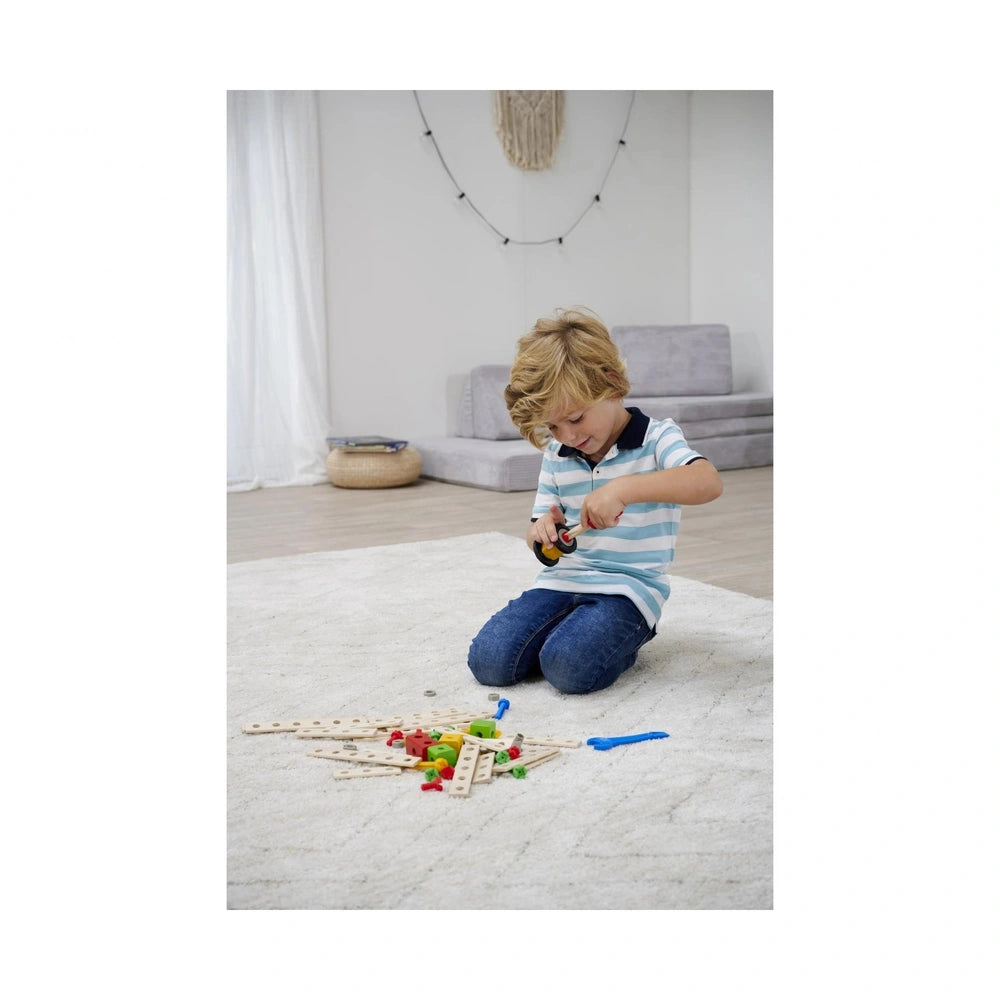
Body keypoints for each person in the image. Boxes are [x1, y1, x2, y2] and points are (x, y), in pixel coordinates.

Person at [467, 308, 724, 695]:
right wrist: (542, 535)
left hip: (628, 591)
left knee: (569, 668)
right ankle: (567, 633)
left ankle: (616, 638)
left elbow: (707, 482)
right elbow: (538, 529)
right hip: (560, 581)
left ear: (613, 385)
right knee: (488, 660)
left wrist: (623, 489)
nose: (566, 435)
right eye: (553, 426)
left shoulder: (657, 439)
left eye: (575, 418)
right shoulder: (557, 453)